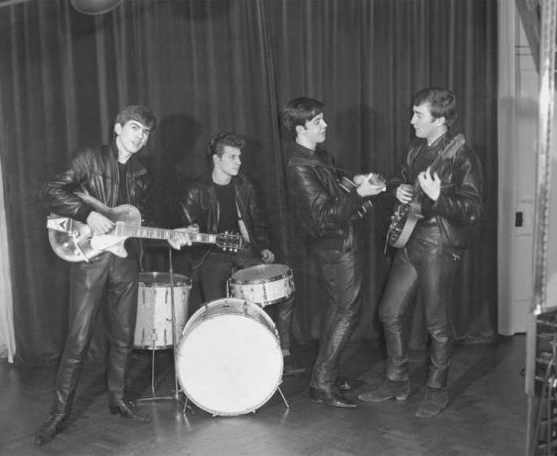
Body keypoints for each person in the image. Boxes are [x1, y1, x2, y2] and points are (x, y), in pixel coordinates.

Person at [35, 105, 188, 445]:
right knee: (78, 340)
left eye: (146, 132)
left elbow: (138, 223)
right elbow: (50, 191)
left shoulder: (142, 174)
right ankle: (59, 413)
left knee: (123, 337)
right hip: (91, 261)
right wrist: (86, 213)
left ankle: (118, 400)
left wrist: (172, 236)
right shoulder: (90, 160)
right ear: (117, 128)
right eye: (134, 127)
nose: (140, 136)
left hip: (125, 261)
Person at [358, 87, 483, 418]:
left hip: (438, 244)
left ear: (440, 120)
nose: (411, 120)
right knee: (389, 312)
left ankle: (437, 388)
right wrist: (397, 187)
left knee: (436, 323)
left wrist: (439, 196)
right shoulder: (416, 148)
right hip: (410, 240)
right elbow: (405, 179)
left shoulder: (462, 155)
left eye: (419, 115)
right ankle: (397, 381)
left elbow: (473, 209)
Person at [282, 97, 386, 408]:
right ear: (301, 129)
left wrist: (352, 182)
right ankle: (322, 383)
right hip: (335, 246)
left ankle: (328, 373)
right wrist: (360, 194)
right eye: (317, 122)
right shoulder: (299, 167)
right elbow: (324, 216)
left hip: (337, 243)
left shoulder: (318, 156)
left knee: (338, 309)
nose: (325, 125)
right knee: (346, 312)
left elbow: (331, 189)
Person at [179, 131, 304, 376]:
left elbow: (257, 220)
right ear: (217, 159)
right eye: (232, 157)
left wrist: (265, 246)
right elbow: (186, 227)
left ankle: (281, 352)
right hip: (210, 255)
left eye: (240, 156)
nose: (239, 162)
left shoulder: (244, 186)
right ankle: (224, 362)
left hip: (243, 251)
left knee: (281, 289)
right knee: (217, 309)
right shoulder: (196, 190)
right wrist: (192, 230)